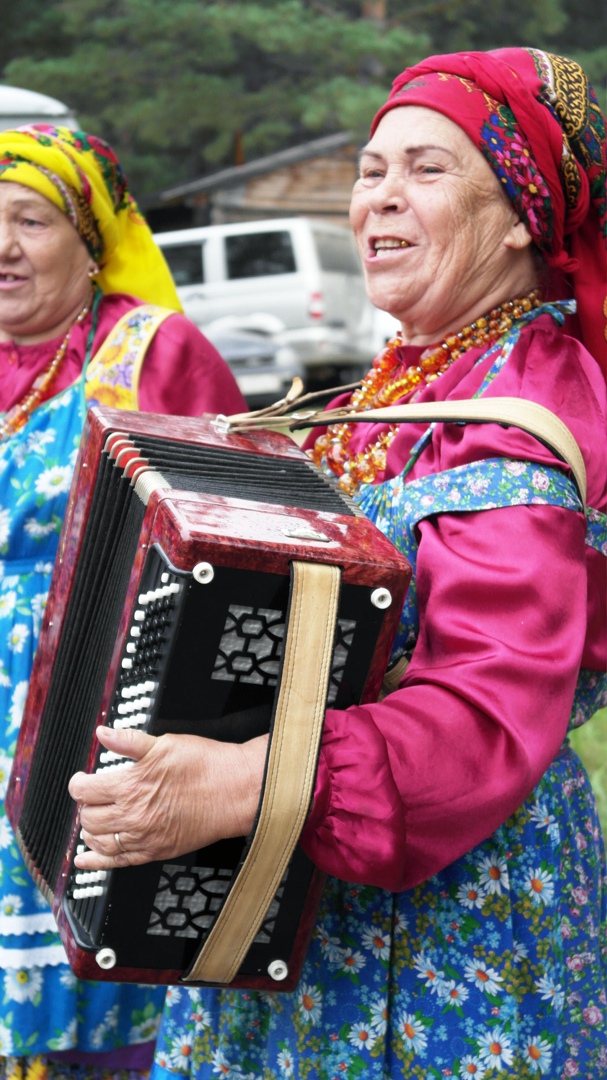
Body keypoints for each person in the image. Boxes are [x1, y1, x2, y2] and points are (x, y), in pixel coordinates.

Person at [68, 48, 607, 1079]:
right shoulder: (411, 379)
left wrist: (237, 786)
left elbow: (486, 706)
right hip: (315, 905)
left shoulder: (521, 411)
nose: (380, 200)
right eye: (369, 170)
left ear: (519, 216)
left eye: (426, 170)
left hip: (445, 931)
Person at [0, 126, 246, 1077]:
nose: (5, 247)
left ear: (91, 239)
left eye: (31, 221)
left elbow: (226, 548)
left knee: (102, 1000)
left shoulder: (150, 349)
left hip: (89, 720)